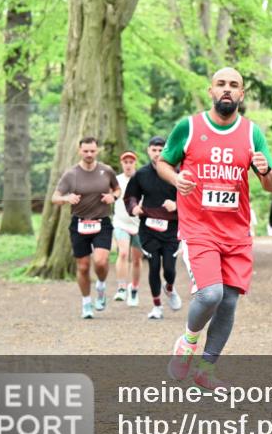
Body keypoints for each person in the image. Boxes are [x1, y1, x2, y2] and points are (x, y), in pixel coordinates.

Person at [157, 67, 272, 389]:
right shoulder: (189, 126)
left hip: (236, 231)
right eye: (221, 84)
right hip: (199, 227)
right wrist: (176, 178)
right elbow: (163, 162)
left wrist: (266, 171)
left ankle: (206, 368)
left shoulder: (252, 133)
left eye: (234, 85)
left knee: (228, 301)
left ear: (242, 94)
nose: (227, 90)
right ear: (211, 90)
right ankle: (187, 342)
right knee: (211, 294)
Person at [50, 136, 121, 319]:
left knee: (100, 261)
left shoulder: (106, 171)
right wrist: (67, 198)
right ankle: (86, 302)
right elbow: (55, 198)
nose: (89, 154)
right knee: (82, 267)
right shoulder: (71, 174)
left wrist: (113, 197)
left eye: (92, 151)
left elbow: (117, 189)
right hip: (79, 223)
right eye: (85, 151)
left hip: (102, 222)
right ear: (79, 151)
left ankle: (101, 285)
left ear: (97, 151)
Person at [124, 136, 182, 320]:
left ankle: (170, 288)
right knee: (154, 266)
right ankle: (157, 306)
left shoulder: (177, 173)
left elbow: (192, 198)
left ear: (167, 151)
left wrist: (177, 205)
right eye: (154, 150)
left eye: (161, 150)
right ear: (148, 151)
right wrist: (134, 207)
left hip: (172, 228)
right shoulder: (141, 174)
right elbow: (130, 196)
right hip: (148, 227)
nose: (157, 154)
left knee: (170, 269)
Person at [112, 150, 144, 306]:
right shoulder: (116, 181)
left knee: (137, 260)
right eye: (125, 162)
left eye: (131, 162)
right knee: (123, 253)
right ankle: (121, 288)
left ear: (135, 163)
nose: (128, 164)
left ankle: (134, 290)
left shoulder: (142, 178)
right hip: (120, 223)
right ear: (121, 163)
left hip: (139, 225)